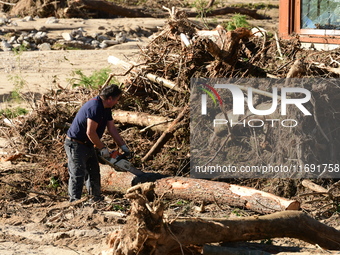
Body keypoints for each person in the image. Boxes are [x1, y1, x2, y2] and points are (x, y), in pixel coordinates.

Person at [64, 84, 131, 202]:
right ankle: (74, 202)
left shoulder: (106, 108)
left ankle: (95, 199)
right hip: (76, 144)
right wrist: (103, 148)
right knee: (77, 174)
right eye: (116, 99)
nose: (117, 102)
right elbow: (90, 132)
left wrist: (123, 147)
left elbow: (112, 129)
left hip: (88, 144)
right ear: (110, 98)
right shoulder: (95, 107)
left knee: (94, 172)